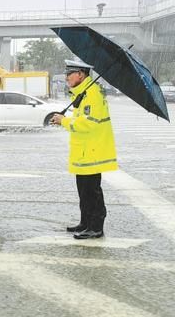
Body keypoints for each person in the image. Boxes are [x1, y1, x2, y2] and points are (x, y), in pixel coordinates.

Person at [51, 59, 118, 239]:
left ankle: (96, 227)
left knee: (92, 191)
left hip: (92, 152)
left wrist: (63, 121)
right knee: (84, 190)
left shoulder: (92, 94)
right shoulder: (83, 93)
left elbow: (88, 123)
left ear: (80, 74)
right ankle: (85, 222)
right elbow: (81, 118)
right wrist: (65, 118)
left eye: (69, 74)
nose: (66, 78)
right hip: (84, 151)